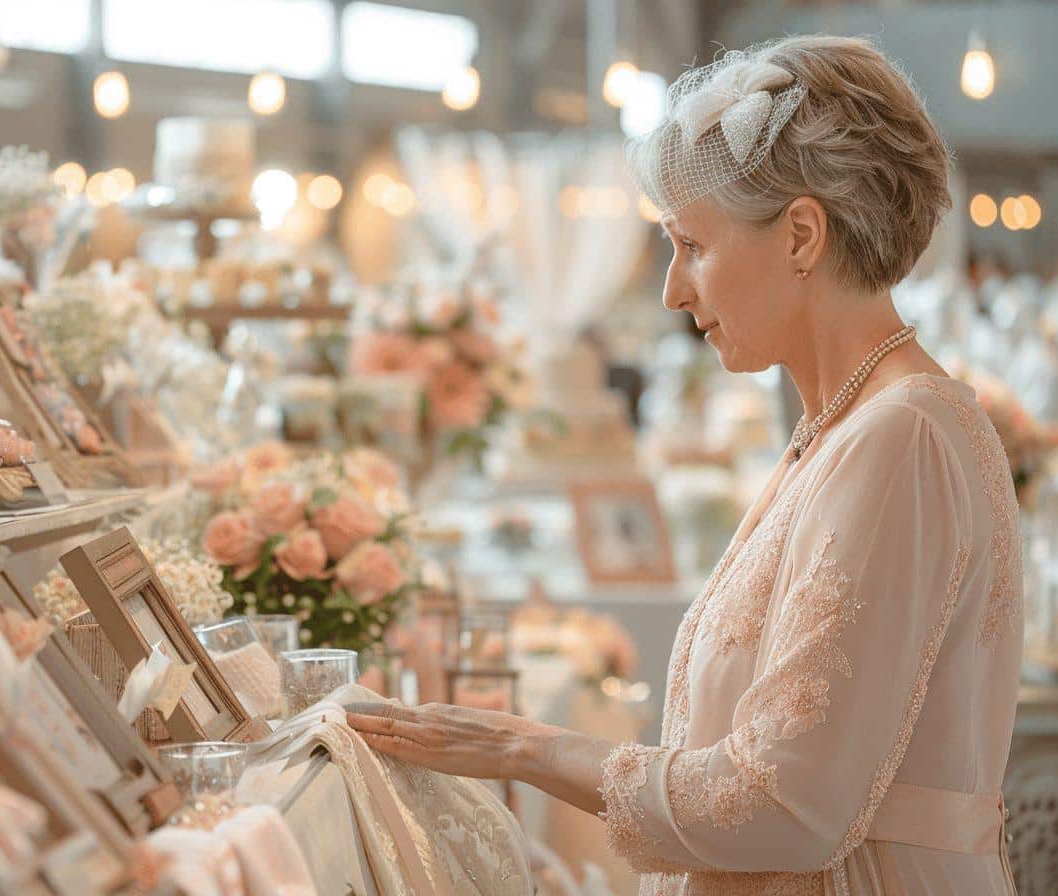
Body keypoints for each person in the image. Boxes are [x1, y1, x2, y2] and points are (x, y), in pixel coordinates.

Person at [348, 35, 1021, 895]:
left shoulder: (900, 438)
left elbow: (785, 799)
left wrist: (526, 748)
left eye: (691, 246)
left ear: (802, 235)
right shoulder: (847, 426)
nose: (673, 290)